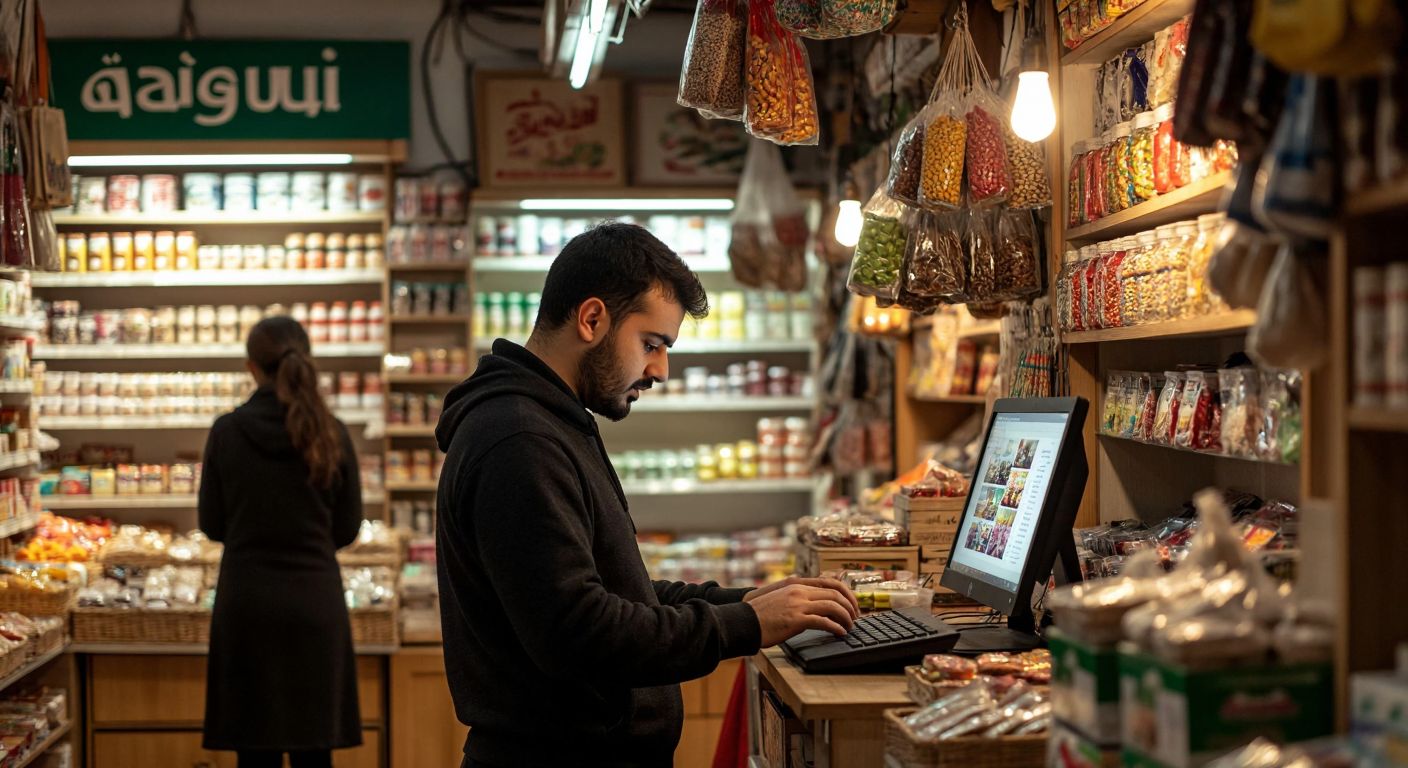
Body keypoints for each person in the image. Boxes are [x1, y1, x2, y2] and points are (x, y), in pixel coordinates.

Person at [435, 222, 859, 767]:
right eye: (651, 344)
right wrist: (746, 626)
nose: (660, 369)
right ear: (592, 319)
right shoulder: (520, 441)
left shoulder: (551, 424)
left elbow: (617, 590)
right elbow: (579, 632)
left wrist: (747, 602)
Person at [199, 316, 365, 768]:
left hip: (247, 607)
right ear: (304, 361)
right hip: (315, 605)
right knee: (316, 754)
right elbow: (348, 528)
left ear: (251, 366)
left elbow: (212, 524)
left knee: (255, 754)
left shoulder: (227, 431)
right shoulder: (331, 431)